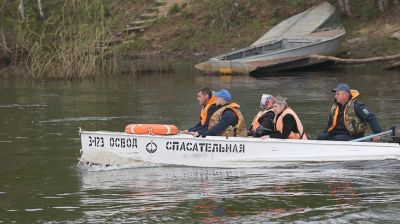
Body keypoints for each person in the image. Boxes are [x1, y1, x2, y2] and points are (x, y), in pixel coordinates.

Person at [317, 83, 382, 141]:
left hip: (353, 136)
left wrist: (377, 134)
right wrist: (324, 133)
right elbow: (330, 123)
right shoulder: (335, 108)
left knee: (336, 140)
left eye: (338, 94)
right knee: (321, 137)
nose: (335, 96)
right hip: (337, 134)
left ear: (346, 95)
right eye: (335, 94)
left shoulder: (357, 106)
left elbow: (371, 118)